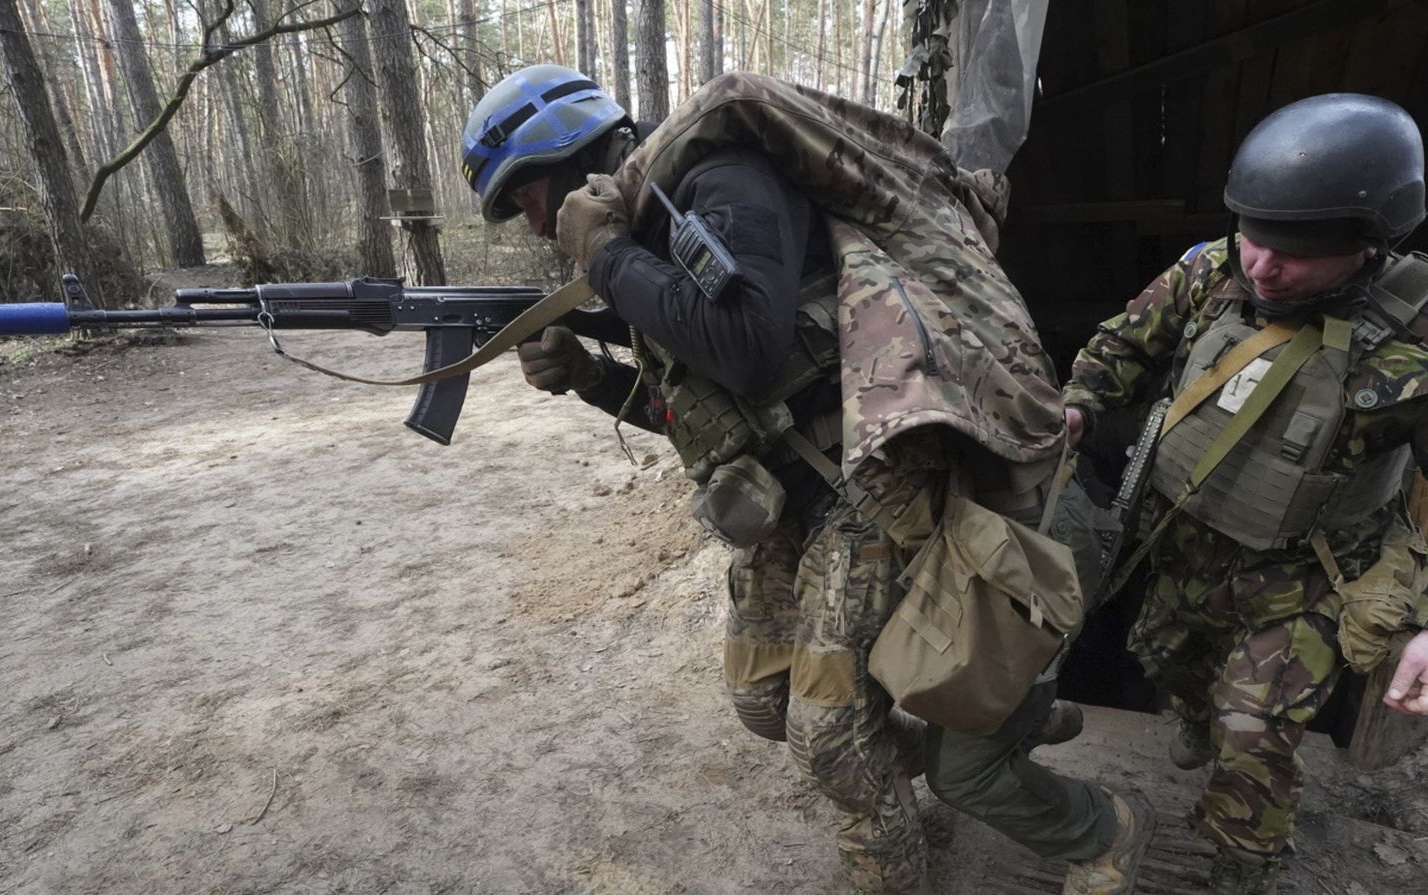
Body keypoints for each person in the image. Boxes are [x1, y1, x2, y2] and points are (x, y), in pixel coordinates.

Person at [461, 65, 1155, 895]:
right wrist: (591, 375)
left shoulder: (721, 181)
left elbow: (748, 346)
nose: (534, 221)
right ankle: (966, 735)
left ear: (569, 152)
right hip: (793, 497)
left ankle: (1040, 831)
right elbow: (713, 408)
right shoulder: (651, 233)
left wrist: (604, 255)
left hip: (871, 479)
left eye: (527, 194)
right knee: (765, 701)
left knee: (827, 739)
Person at [1061, 93, 1428, 894]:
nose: (1261, 266)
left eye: (1293, 254)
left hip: (1308, 573)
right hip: (1180, 539)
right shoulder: (1216, 266)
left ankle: (1240, 867)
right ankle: (1195, 712)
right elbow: (1124, 342)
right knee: (1163, 660)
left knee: (1252, 731)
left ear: (1368, 245)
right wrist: (1081, 402)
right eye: (1252, 239)